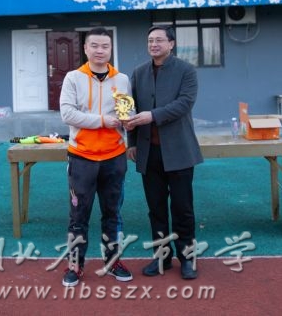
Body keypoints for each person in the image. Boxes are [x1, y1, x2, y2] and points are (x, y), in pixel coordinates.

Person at [125, 25, 203, 280]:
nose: (154, 44)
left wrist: (153, 116)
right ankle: (162, 258)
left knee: (183, 209)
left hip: (179, 151)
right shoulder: (139, 73)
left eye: (159, 40)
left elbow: (184, 104)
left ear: (171, 44)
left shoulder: (186, 71)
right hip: (149, 152)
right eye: (150, 40)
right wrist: (132, 142)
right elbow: (132, 109)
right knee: (156, 210)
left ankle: (187, 258)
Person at [59, 27, 133, 287]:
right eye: (95, 46)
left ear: (111, 49)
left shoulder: (121, 79)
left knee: (112, 213)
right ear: (85, 48)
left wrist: (128, 119)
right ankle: (75, 265)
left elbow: (126, 111)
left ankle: (112, 262)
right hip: (82, 157)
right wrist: (103, 120)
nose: (100, 50)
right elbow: (67, 114)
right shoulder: (73, 78)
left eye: (105, 46)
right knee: (78, 216)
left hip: (114, 156)